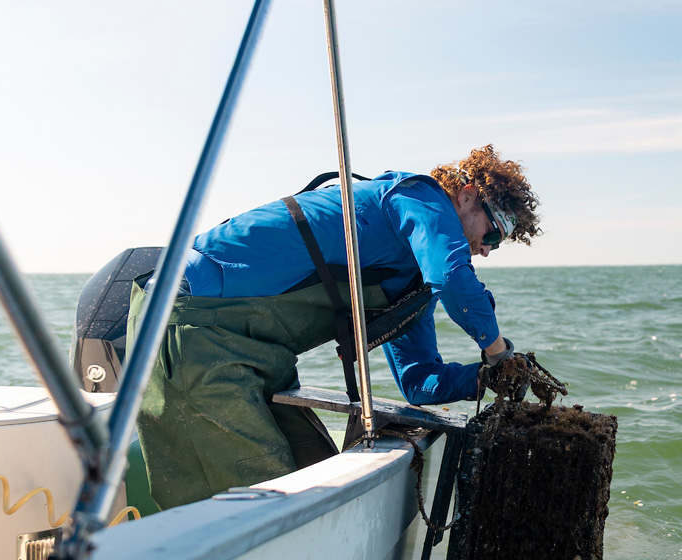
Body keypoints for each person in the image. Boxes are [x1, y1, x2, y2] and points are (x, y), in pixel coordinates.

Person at [125, 145, 543, 509]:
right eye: (494, 233)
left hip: (252, 354)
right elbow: (454, 278)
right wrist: (498, 351)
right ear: (467, 196)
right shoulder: (416, 195)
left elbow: (419, 381)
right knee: (272, 505)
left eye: (498, 245)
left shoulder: (412, 283)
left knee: (315, 475)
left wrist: (484, 376)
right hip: (188, 323)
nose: (487, 251)